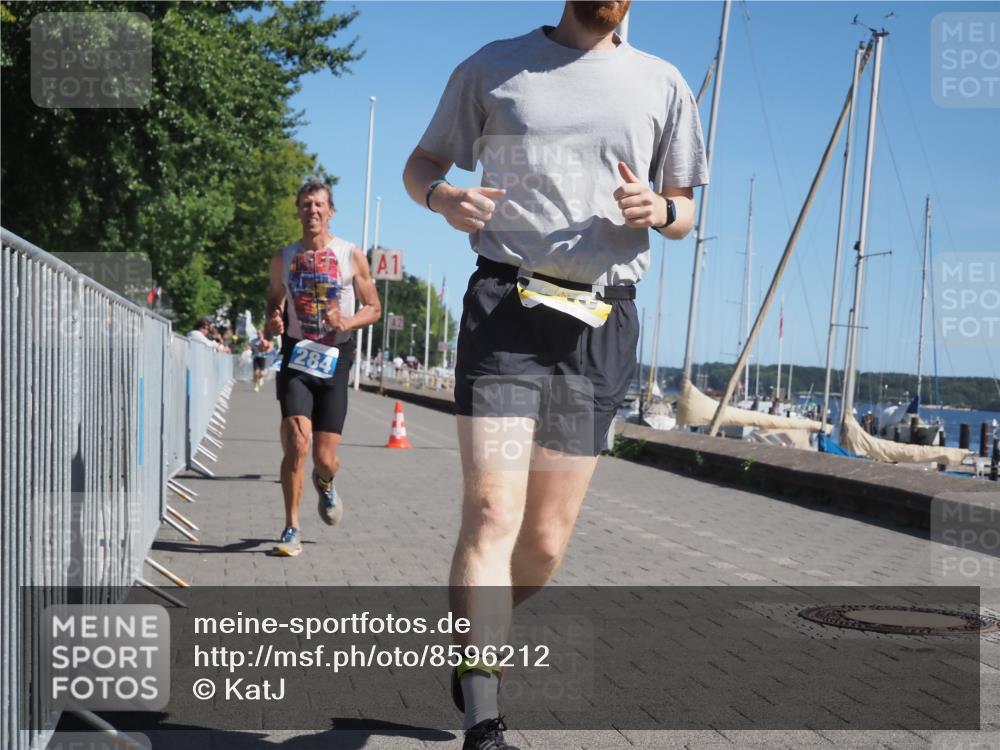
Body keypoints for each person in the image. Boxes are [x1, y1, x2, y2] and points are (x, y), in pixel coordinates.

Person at [402, 2, 706, 747]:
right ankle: (484, 713)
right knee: (493, 514)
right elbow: (421, 168)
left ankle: (478, 639)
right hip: (507, 307)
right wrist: (444, 198)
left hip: (600, 325)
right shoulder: (494, 67)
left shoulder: (662, 84)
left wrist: (660, 206)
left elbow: (687, 210)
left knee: (541, 541)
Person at [262, 180, 381, 557]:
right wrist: (272, 322)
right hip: (297, 355)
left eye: (319, 205)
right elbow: (272, 304)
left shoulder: (351, 255)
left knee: (324, 458)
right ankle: (291, 527)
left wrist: (348, 321)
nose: (312, 210)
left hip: (335, 358)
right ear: (297, 210)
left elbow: (374, 308)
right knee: (297, 443)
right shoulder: (283, 258)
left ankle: (325, 483)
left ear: (330, 212)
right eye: (306, 204)